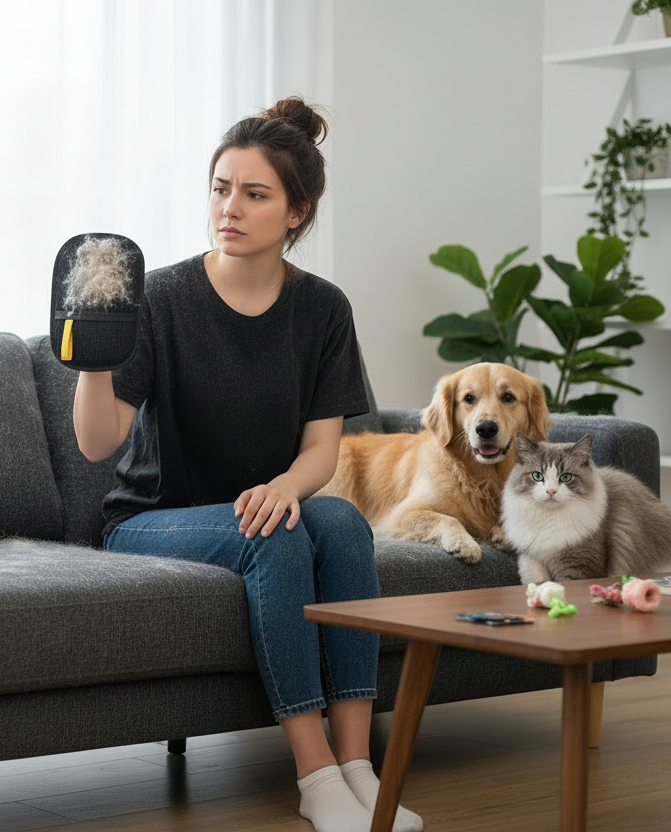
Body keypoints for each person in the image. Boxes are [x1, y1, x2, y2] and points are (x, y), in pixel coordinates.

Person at [72, 97, 423, 832]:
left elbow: (323, 448)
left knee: (341, 523)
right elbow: (97, 445)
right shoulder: (162, 298)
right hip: (154, 521)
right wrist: (92, 359)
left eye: (254, 194)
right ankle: (315, 773)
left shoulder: (323, 309)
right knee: (276, 533)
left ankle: (360, 765)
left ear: (296, 212)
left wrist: (284, 486)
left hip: (266, 502)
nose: (228, 208)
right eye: (220, 188)